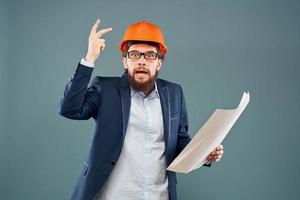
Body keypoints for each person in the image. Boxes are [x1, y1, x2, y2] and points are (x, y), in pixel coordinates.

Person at [59, 19, 224, 200]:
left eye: (150, 55)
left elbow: (179, 143)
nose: (142, 61)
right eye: (135, 55)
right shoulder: (105, 89)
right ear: (125, 61)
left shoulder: (174, 93)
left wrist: (205, 153)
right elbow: (70, 109)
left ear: (159, 63)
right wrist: (89, 59)